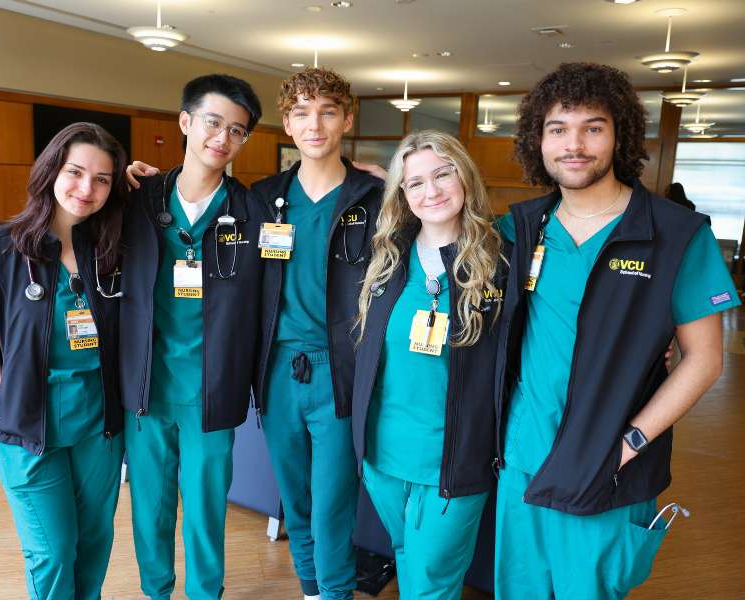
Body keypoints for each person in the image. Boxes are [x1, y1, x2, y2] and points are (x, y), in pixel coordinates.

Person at [493, 62, 741, 599]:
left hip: (609, 462)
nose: (573, 144)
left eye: (593, 127)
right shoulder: (519, 226)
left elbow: (705, 359)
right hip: (522, 459)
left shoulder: (675, 235)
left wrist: (633, 441)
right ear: (538, 139)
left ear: (619, 135)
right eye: (557, 128)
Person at [0, 122, 128, 598]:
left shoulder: (113, 247)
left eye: (102, 178)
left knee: (94, 542)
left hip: (98, 424)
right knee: (52, 550)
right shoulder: (2, 246)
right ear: (52, 170)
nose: (86, 188)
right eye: (75, 172)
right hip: (27, 420)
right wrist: (0, 390)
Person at [118, 74, 263, 599]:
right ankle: (156, 592)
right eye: (212, 122)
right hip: (147, 386)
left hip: (211, 390)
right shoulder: (136, 197)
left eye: (237, 131)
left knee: (205, 510)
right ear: (185, 122)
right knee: (149, 506)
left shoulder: (254, 213)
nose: (222, 138)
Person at [351, 130, 506, 599]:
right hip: (382, 455)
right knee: (405, 556)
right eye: (415, 182)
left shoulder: (502, 260)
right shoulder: (387, 258)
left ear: (465, 176)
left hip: (454, 461)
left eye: (443, 174)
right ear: (402, 193)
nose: (431, 191)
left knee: (431, 583)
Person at [250, 67, 384, 600]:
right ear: (287, 123)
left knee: (332, 502)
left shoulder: (375, 196)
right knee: (296, 498)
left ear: (346, 119)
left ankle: (333, 591)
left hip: (339, 371)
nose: (315, 124)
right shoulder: (263, 198)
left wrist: (393, 181)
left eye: (328, 111)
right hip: (278, 371)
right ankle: (312, 589)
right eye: (302, 113)